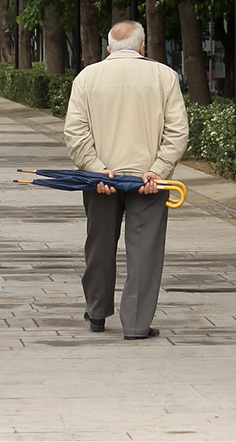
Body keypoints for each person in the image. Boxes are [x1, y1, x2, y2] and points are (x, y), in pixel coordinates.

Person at [63, 20, 189, 340]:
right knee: (145, 252)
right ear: (142, 46)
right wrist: (159, 169)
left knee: (99, 246)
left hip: (100, 178)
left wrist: (95, 167)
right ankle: (135, 324)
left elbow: (75, 132)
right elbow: (177, 131)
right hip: (148, 179)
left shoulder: (87, 77)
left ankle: (96, 311)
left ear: (109, 49)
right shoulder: (163, 76)